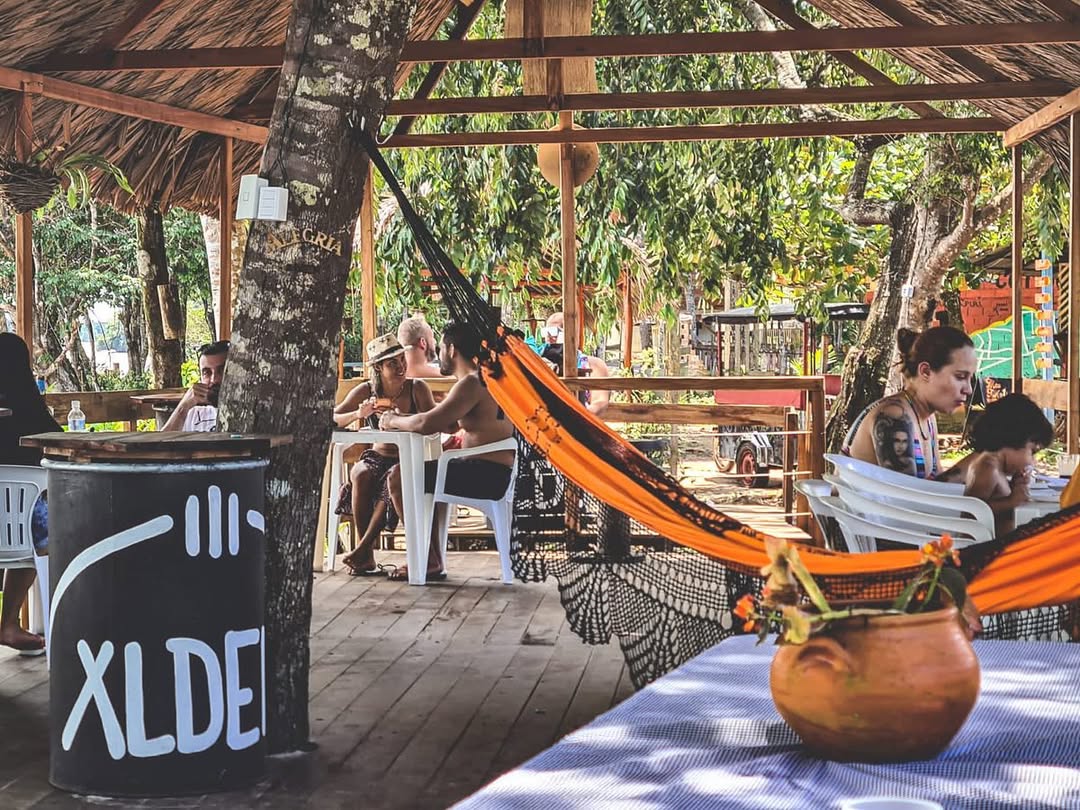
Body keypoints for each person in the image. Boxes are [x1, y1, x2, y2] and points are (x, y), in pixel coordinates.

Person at [379, 321, 515, 581]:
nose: (438, 353)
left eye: (441, 348)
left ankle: (426, 559)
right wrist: (406, 418)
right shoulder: (488, 379)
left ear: (452, 350)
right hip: (495, 473)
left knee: (399, 476)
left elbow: (426, 424)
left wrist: (392, 420)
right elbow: (450, 424)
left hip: (484, 475)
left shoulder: (472, 383)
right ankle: (431, 557)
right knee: (428, 474)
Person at [334, 334, 435, 575]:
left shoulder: (416, 388)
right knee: (359, 473)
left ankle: (362, 549)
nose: (401, 367)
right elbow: (333, 418)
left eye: (402, 360)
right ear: (378, 368)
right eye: (392, 363)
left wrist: (400, 419)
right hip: (377, 456)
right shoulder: (366, 390)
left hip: (409, 457)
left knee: (392, 479)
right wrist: (358, 414)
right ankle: (366, 555)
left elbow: (433, 422)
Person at [842, 326, 976, 480]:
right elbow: (908, 492)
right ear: (925, 371)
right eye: (960, 377)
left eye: (970, 379)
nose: (968, 390)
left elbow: (935, 485)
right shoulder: (894, 415)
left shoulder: (927, 419)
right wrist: (980, 457)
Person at [0, 333, 60, 652]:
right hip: (25, 540)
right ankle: (9, 623)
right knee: (41, 526)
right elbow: (62, 442)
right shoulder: (30, 408)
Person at [963, 394, 1054, 535]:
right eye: (1032, 452)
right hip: (991, 547)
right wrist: (1011, 502)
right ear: (1014, 439)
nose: (1033, 461)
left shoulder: (996, 468)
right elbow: (970, 514)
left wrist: (1013, 487)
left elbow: (994, 499)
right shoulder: (987, 468)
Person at [540, 311, 611, 415]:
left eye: (554, 331)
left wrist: (579, 416)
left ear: (570, 334)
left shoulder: (594, 365)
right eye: (546, 332)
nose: (549, 336)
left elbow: (600, 401)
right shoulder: (540, 363)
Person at [161, 340, 229, 431]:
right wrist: (183, 407)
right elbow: (161, 439)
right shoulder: (192, 413)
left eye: (221, 371)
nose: (214, 380)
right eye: (207, 373)